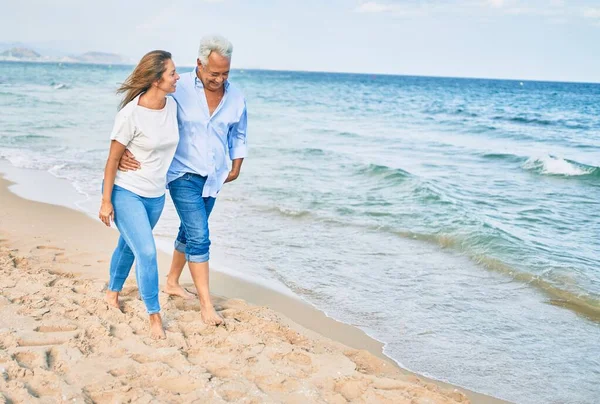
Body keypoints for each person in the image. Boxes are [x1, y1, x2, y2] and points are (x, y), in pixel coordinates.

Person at [119, 35, 248, 326]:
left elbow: (239, 133)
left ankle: (173, 281)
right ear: (199, 65)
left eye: (225, 73)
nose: (220, 79)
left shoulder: (236, 96)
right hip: (182, 173)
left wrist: (237, 163)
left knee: (189, 232)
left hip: (214, 176)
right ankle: (206, 306)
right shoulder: (178, 88)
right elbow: (144, 111)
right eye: (214, 73)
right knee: (200, 236)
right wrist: (125, 147)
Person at [99, 50, 180, 339]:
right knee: (146, 251)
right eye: (172, 73)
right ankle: (154, 315)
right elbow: (112, 160)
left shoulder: (172, 106)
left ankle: (112, 292)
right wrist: (106, 201)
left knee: (128, 246)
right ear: (157, 79)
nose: (177, 77)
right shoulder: (130, 114)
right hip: (126, 192)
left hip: (156, 195)